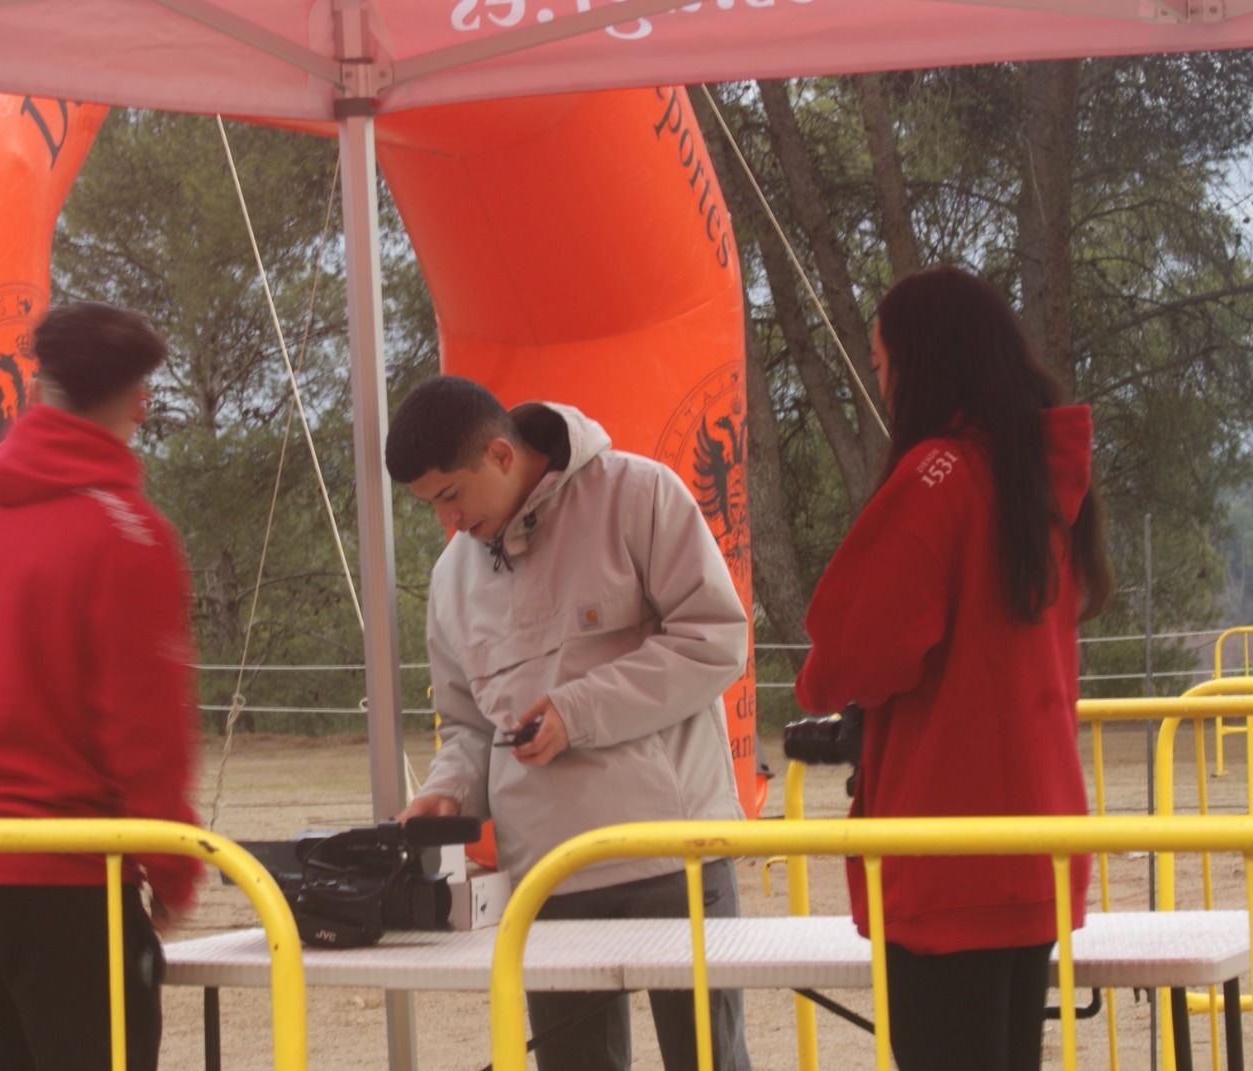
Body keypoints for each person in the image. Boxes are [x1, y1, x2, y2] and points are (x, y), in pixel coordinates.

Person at [794, 266, 1112, 1071]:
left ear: (918, 362)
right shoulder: (1037, 478)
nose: (881, 381)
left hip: (947, 856)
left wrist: (819, 684)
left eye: (879, 363)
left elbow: (854, 649)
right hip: (1031, 845)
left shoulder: (941, 476)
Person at [385, 375, 753, 1071]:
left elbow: (715, 641)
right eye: (430, 506)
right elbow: (467, 724)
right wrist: (450, 792)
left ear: (499, 454)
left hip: (674, 857)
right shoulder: (449, 580)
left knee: (710, 1060)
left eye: (451, 496)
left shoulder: (638, 494)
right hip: (546, 879)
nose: (448, 524)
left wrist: (575, 711)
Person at [0, 301, 201, 1071]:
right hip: (69, 870)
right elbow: (146, 730)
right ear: (137, 398)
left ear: (41, 384)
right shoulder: (130, 534)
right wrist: (172, 864)